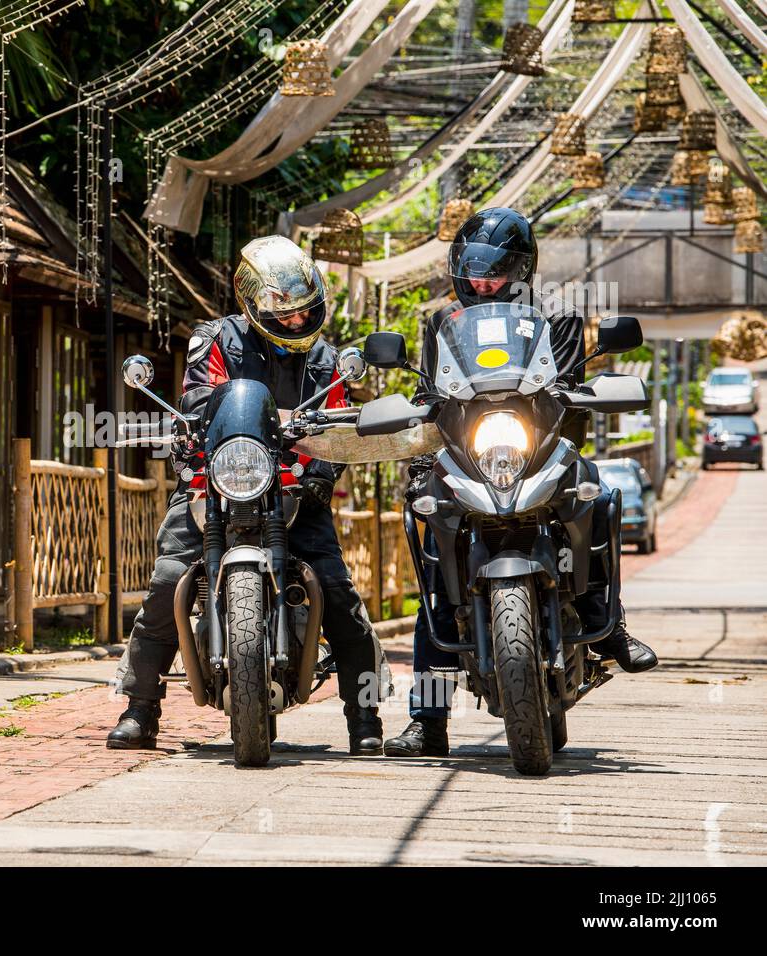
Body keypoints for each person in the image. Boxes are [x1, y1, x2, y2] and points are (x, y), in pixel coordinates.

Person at [383, 208, 659, 758]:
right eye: (474, 268)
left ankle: (611, 628)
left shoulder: (553, 321)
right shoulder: (440, 325)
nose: (485, 281)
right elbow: (426, 395)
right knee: (437, 577)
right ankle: (429, 722)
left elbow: (571, 390)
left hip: (539, 450)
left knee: (598, 496)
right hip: (466, 454)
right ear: (457, 268)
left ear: (522, 269)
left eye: (498, 269)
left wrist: (594, 388)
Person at [107, 235, 385, 755]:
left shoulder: (325, 360)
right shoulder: (217, 341)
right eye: (289, 313)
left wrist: (322, 471)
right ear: (251, 301)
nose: (300, 322)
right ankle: (140, 708)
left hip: (294, 490)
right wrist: (191, 451)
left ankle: (364, 719)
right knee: (170, 580)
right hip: (218, 486)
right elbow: (196, 401)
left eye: (307, 312)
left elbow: (341, 421)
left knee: (336, 590)